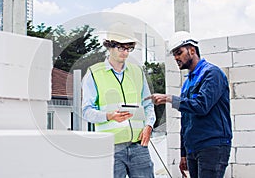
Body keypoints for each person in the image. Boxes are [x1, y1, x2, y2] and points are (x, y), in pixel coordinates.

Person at [145, 31, 232, 178]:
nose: (176, 58)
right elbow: (186, 120)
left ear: (192, 50)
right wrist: (184, 153)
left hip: (212, 145)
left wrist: (169, 98)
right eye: (174, 55)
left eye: (179, 53)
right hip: (194, 148)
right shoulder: (188, 82)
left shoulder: (212, 74)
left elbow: (201, 105)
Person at [82, 22, 156, 178]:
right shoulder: (94, 74)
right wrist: (109, 116)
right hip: (110, 148)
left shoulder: (137, 72)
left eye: (128, 48)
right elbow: (86, 111)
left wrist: (149, 125)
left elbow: (148, 104)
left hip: (138, 145)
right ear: (109, 46)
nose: (125, 52)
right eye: (120, 47)